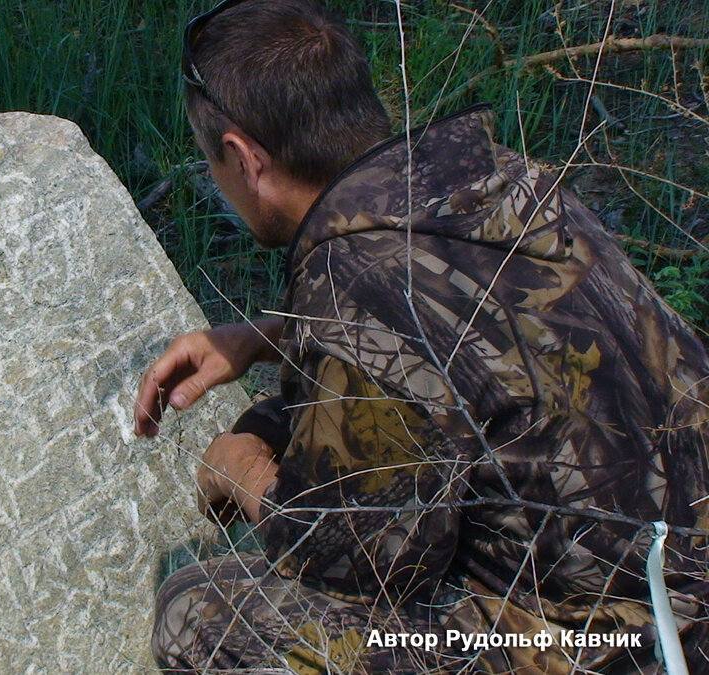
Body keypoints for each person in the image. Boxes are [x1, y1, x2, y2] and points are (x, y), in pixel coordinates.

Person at [133, 1, 709, 673]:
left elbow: (361, 561)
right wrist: (274, 335)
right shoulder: (497, 178)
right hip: (688, 586)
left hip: (621, 649)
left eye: (211, 162)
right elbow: (470, 337)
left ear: (242, 155)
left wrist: (242, 468)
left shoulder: (356, 285)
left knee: (197, 616)